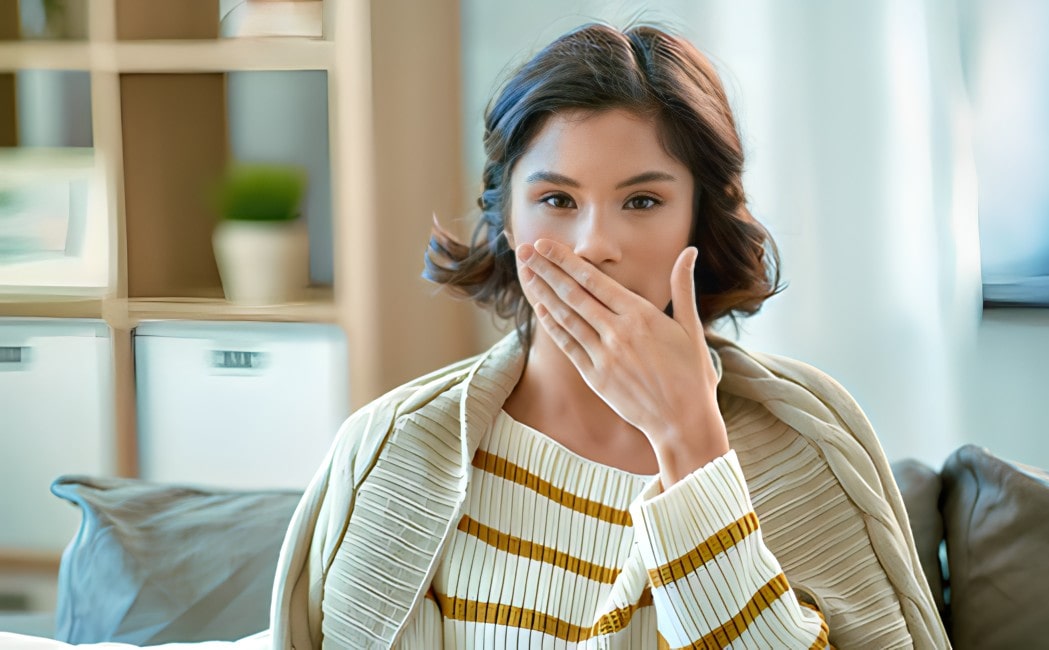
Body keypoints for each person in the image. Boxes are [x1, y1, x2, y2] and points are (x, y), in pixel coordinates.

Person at [0, 21, 947, 650]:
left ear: (701, 223)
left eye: (644, 201)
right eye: (557, 199)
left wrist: (692, 446)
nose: (596, 247)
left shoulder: (805, 441)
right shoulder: (398, 447)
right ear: (504, 218)